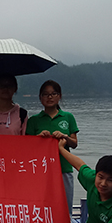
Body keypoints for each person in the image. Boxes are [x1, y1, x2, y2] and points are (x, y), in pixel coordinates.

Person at [26, 80, 78, 215]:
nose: (49, 97)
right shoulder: (34, 120)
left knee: (65, 207)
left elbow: (74, 143)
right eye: (45, 94)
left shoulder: (68, 117)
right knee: (42, 206)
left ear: (59, 96)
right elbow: (27, 148)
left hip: (63, 167)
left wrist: (65, 137)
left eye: (53, 94)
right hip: (41, 169)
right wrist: (38, 138)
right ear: (40, 97)